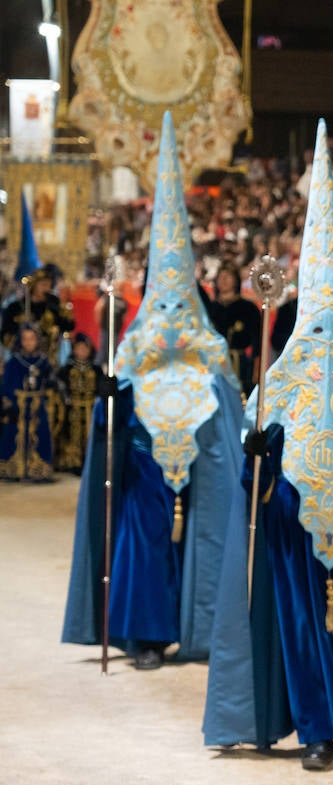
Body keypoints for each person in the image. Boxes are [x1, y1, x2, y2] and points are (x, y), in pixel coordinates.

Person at [203, 121, 333, 770]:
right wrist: (258, 454)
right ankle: (317, 725)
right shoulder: (278, 389)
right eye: (312, 335)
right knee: (301, 627)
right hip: (295, 531)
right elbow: (252, 478)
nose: (322, 352)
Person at [62, 112, 244, 672]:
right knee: (142, 540)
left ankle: (201, 628)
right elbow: (111, 415)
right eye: (159, 302)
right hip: (144, 461)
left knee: (202, 539)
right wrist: (110, 398)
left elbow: (229, 407)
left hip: (200, 462)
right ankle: (144, 634)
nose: (168, 313)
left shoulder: (210, 348)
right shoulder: (134, 346)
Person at [0, 324, 56, 482]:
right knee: (14, 436)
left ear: (37, 340)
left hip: (37, 407)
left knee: (39, 435)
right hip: (18, 407)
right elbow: (6, 384)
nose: (28, 342)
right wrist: (8, 404)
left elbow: (50, 382)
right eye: (25, 339)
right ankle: (14, 470)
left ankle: (37, 470)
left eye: (32, 339)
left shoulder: (43, 361)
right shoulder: (14, 361)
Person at [206, 264, 262, 393]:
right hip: (214, 364)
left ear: (236, 280)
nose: (224, 279)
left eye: (228, 276)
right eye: (221, 276)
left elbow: (257, 342)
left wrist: (257, 369)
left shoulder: (248, 308)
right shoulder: (209, 309)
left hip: (240, 366)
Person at [54, 332, 103, 474]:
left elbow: (100, 388)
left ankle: (89, 462)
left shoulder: (96, 370)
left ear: (90, 350)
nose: (81, 351)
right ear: (74, 350)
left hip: (90, 407)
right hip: (73, 407)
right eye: (78, 348)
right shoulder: (67, 369)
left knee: (89, 434)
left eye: (85, 348)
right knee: (72, 435)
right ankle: (73, 463)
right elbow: (59, 386)